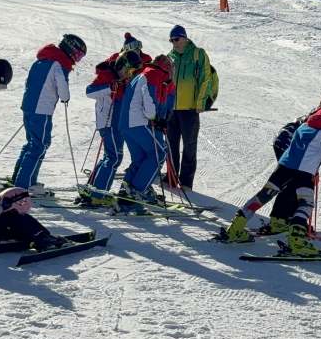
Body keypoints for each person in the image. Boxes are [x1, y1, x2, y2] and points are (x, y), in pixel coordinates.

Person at [221, 92, 321, 257]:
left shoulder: (310, 119)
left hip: (284, 165)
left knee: (264, 194)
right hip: (304, 171)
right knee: (306, 203)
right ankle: (297, 241)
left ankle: (235, 228)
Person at [12, 34, 86, 191]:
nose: (77, 59)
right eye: (78, 55)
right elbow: (63, 88)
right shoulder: (59, 64)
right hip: (42, 110)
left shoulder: (40, 61)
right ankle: (24, 184)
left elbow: (29, 82)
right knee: (39, 145)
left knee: (32, 143)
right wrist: (65, 98)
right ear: (70, 49)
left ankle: (19, 178)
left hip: (29, 107)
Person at [78, 49, 144, 207]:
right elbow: (89, 91)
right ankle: (99, 194)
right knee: (114, 157)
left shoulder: (123, 80)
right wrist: (110, 87)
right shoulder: (107, 75)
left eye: (132, 73)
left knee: (109, 156)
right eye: (128, 71)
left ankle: (92, 189)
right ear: (122, 65)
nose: (129, 75)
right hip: (108, 122)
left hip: (116, 123)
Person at [117, 55, 175, 212]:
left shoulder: (144, 74)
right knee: (159, 154)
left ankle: (125, 198)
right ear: (167, 68)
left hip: (126, 124)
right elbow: (148, 100)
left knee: (141, 159)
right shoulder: (153, 74)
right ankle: (137, 191)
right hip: (137, 122)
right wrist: (156, 118)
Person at [166, 25, 217, 191]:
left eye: (176, 39)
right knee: (171, 144)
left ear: (184, 38)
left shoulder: (198, 54)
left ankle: (186, 182)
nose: (174, 43)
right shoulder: (170, 57)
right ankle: (171, 177)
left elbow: (205, 78)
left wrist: (201, 102)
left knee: (189, 145)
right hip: (172, 109)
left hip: (190, 108)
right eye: (171, 40)